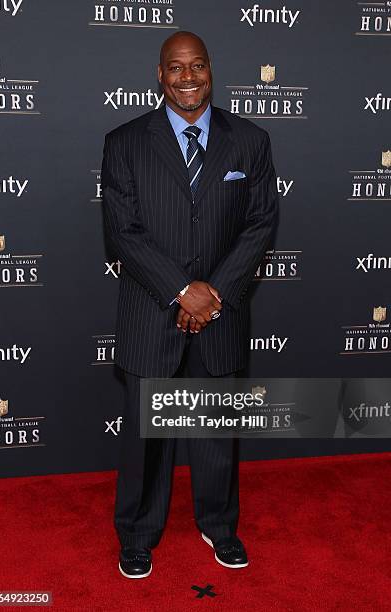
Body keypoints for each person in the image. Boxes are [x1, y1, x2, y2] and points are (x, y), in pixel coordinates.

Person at [101, 30, 279, 579]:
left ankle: (220, 526)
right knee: (145, 442)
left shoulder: (249, 140)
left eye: (197, 66)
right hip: (152, 312)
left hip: (220, 314)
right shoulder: (125, 141)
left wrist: (214, 293)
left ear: (210, 70)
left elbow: (260, 225)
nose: (187, 77)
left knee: (215, 434)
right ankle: (136, 534)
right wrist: (183, 290)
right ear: (160, 74)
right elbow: (123, 233)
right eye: (176, 68)